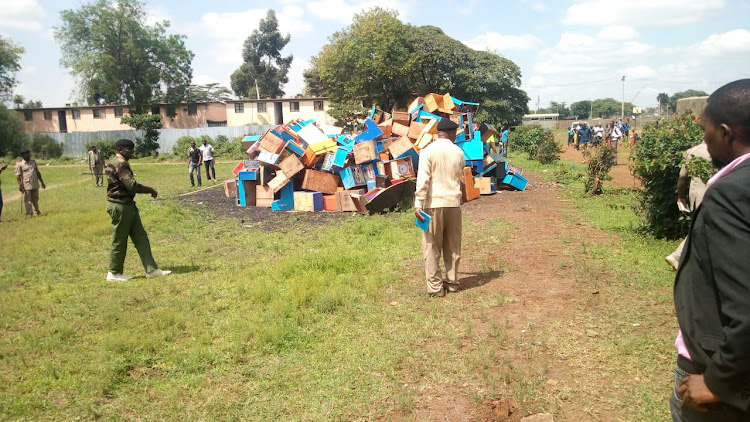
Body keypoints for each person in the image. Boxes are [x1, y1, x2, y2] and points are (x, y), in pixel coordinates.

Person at [671, 79, 750, 421]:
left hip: (717, 371)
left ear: (726, 132)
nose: (703, 140)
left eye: (705, 132)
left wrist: (720, 381)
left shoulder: (731, 194)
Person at [105, 138, 171, 281]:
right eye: (129, 150)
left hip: (127, 205)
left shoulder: (112, 162)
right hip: (120, 205)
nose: (132, 152)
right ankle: (114, 273)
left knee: (141, 237)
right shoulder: (120, 164)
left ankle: (151, 269)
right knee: (119, 240)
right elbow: (132, 186)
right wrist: (150, 190)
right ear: (120, 150)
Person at [414, 118, 465, 297]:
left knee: (432, 246)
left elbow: (423, 180)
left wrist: (418, 203)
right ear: (451, 133)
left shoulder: (427, 151)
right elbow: (460, 177)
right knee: (452, 246)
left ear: (439, 133)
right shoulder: (459, 152)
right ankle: (452, 282)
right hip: (453, 205)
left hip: (433, 205)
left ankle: (435, 288)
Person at [665, 141, 710, 270]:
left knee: (701, 227)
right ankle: (677, 256)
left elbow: (682, 177)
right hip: (710, 194)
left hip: (695, 195)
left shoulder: (692, 151)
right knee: (702, 227)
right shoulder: (720, 150)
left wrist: (681, 196)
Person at [15, 149, 46, 216]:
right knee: (28, 200)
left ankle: (37, 212)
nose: (29, 155)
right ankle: (29, 214)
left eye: (29, 153)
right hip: (26, 185)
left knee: (35, 198)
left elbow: (38, 173)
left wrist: (42, 182)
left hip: (35, 184)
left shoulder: (33, 162)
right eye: (27, 154)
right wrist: (20, 185)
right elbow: (18, 176)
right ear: (23, 155)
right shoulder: (20, 164)